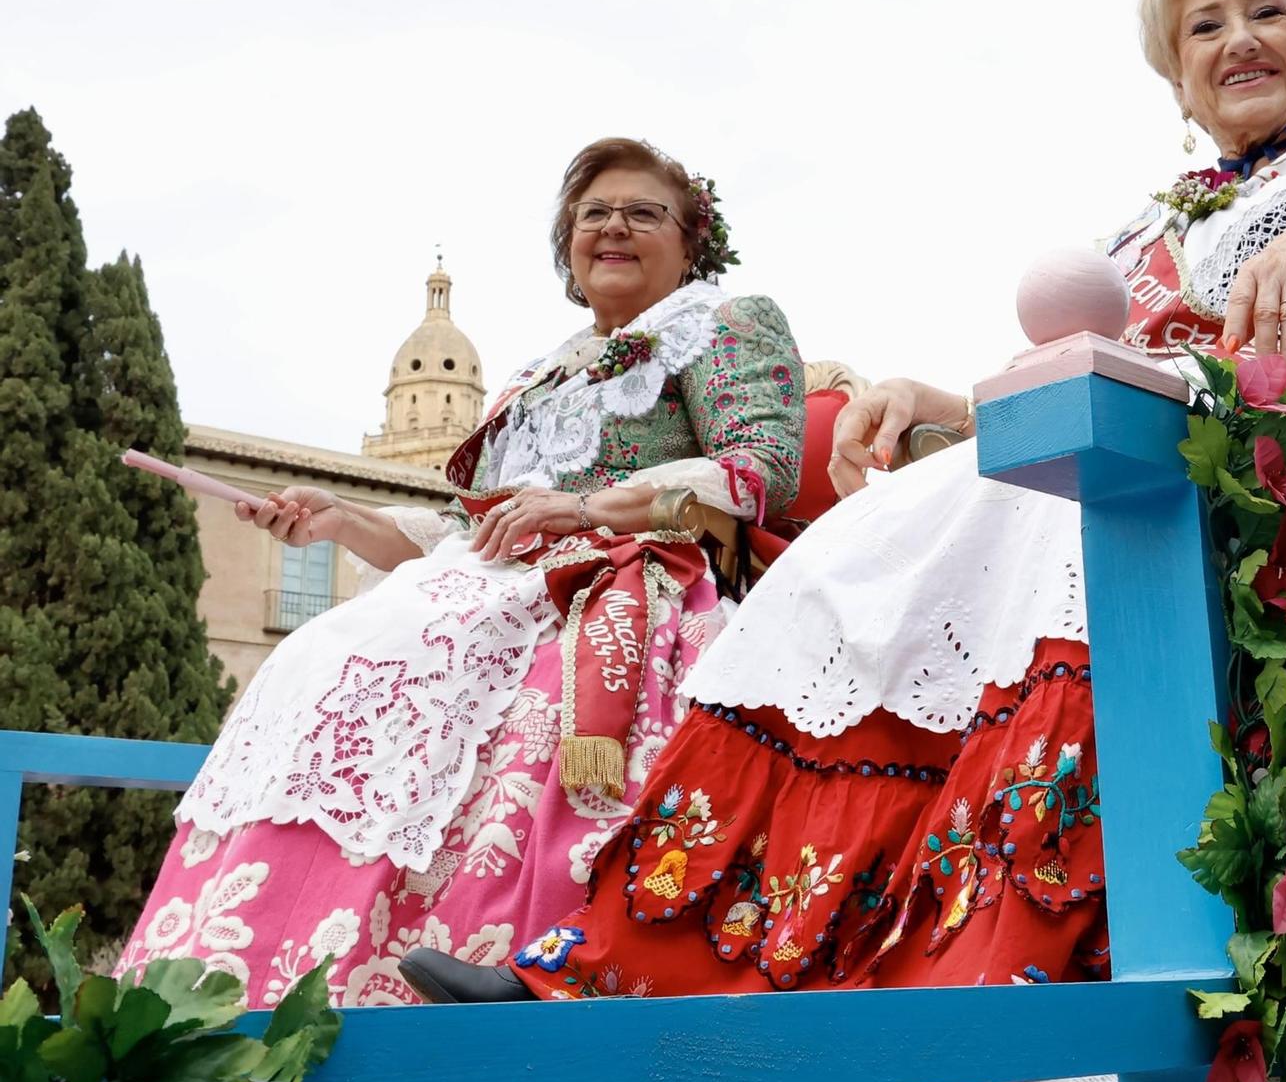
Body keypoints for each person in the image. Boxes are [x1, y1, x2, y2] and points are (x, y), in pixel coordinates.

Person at [405, 0, 1286, 1082]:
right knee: (847, 549)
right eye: (1204, 26)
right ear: (1178, 83)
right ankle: (615, 976)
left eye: (1265, 13)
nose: (1237, 40)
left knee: (1072, 514)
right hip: (1154, 452)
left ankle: (966, 1023)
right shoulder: (1151, 231)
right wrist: (938, 403)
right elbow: (1080, 360)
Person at [114, 139, 805, 1008]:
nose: (614, 228)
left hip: (631, 571)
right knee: (326, 651)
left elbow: (759, 469)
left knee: (473, 653)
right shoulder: (537, 373)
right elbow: (468, 527)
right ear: (568, 242)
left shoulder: (725, 323)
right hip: (498, 577)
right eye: (594, 213)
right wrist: (339, 519)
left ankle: (517, 956)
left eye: (642, 212)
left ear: (688, 237)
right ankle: (267, 980)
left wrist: (588, 510)